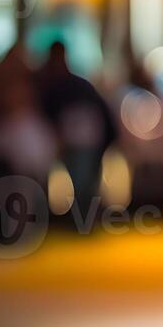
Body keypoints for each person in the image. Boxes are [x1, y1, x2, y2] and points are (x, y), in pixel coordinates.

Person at [36, 41, 117, 220]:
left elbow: (101, 113)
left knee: (83, 182)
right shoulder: (56, 85)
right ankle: (80, 217)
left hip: (85, 141)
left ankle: (82, 218)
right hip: (74, 141)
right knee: (79, 181)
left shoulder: (73, 86)